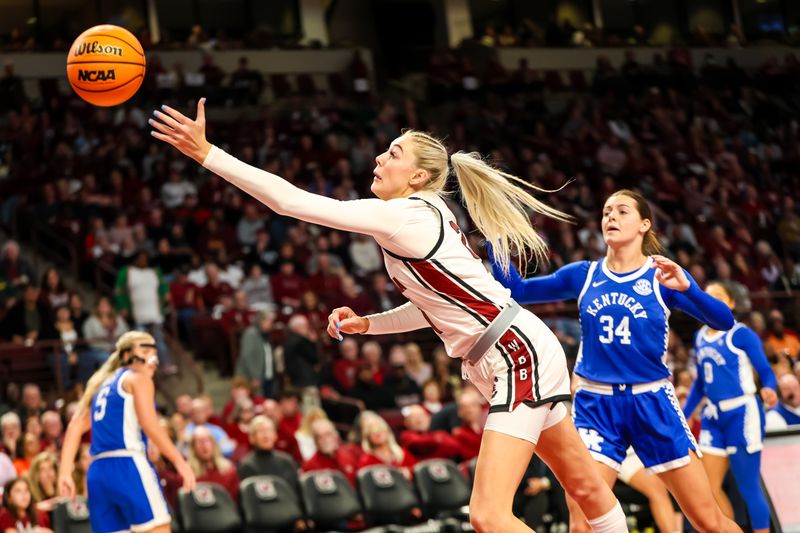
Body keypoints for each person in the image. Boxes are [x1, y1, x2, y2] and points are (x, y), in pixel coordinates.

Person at [151, 100, 626, 533]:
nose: (379, 159)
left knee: (488, 515)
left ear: (418, 176)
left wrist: (208, 154)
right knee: (585, 490)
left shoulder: (407, 215)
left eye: (393, 153)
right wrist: (368, 324)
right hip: (507, 351)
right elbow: (433, 309)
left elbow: (291, 202)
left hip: (514, 352)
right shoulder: (416, 218)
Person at [491, 189, 740, 533]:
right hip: (596, 404)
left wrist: (689, 288)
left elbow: (724, 321)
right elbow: (518, 291)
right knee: (581, 523)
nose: (611, 217)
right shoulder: (583, 274)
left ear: (644, 225)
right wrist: (494, 239)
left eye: (622, 211)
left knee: (707, 520)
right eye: (607, 211)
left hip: (651, 400)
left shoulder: (662, 276)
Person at [58, 331, 195, 533]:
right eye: (145, 349)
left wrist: (64, 473)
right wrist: (179, 461)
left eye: (154, 350)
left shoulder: (101, 385)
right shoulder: (137, 378)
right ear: (125, 356)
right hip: (127, 465)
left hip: (97, 473)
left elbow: (75, 426)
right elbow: (150, 424)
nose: (152, 356)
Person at [683, 281, 778, 533]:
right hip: (713, 415)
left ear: (731, 304)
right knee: (708, 489)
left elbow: (766, 371)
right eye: (708, 295)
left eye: (719, 296)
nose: (712, 299)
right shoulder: (700, 335)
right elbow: (701, 384)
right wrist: (684, 414)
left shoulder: (741, 333)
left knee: (748, 487)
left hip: (742, 412)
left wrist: (769, 388)